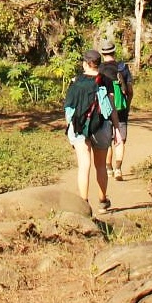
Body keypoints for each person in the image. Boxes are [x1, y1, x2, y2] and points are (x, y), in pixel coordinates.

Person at [64, 48, 116, 213]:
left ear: (86, 64)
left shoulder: (75, 82)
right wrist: (117, 129)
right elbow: (111, 107)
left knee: (84, 165)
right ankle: (102, 201)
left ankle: (83, 204)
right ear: (98, 65)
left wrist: (71, 128)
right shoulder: (105, 80)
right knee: (100, 165)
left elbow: (69, 110)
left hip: (79, 127)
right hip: (101, 126)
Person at [101, 42, 135, 180]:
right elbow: (130, 90)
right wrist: (127, 104)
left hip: (105, 108)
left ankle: (108, 168)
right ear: (114, 52)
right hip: (121, 108)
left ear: (103, 54)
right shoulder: (122, 67)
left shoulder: (99, 69)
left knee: (107, 140)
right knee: (120, 139)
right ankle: (118, 169)